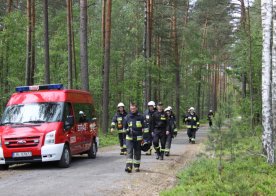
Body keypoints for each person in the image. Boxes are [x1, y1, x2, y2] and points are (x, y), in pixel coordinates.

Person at [123, 103, 145, 173]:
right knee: (129, 152)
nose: (132, 110)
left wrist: (144, 136)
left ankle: (136, 166)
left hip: (138, 138)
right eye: (131, 108)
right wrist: (127, 131)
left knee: (137, 152)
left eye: (134, 108)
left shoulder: (141, 117)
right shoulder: (127, 117)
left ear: (136, 108)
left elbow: (145, 127)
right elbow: (124, 128)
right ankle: (129, 166)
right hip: (129, 138)